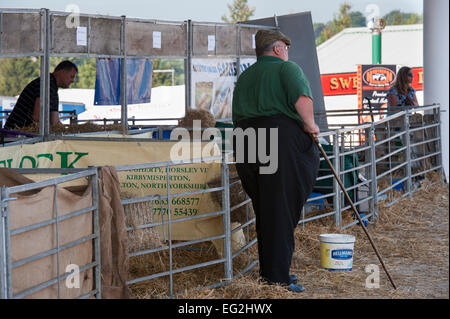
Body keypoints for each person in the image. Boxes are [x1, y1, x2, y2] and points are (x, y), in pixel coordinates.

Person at [232, 29, 320, 293]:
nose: (287, 52)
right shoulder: (287, 69)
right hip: (278, 139)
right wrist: (311, 126)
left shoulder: (245, 76)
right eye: (286, 47)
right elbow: (302, 99)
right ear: (279, 48)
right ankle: (277, 279)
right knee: (280, 208)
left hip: (246, 139)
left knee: (266, 208)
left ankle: (271, 273)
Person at [4, 60, 78, 129]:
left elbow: (55, 122)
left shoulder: (52, 86)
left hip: (22, 133)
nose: (72, 81)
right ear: (62, 72)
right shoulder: (46, 84)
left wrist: (68, 133)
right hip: (15, 134)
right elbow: (37, 117)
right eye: (72, 76)